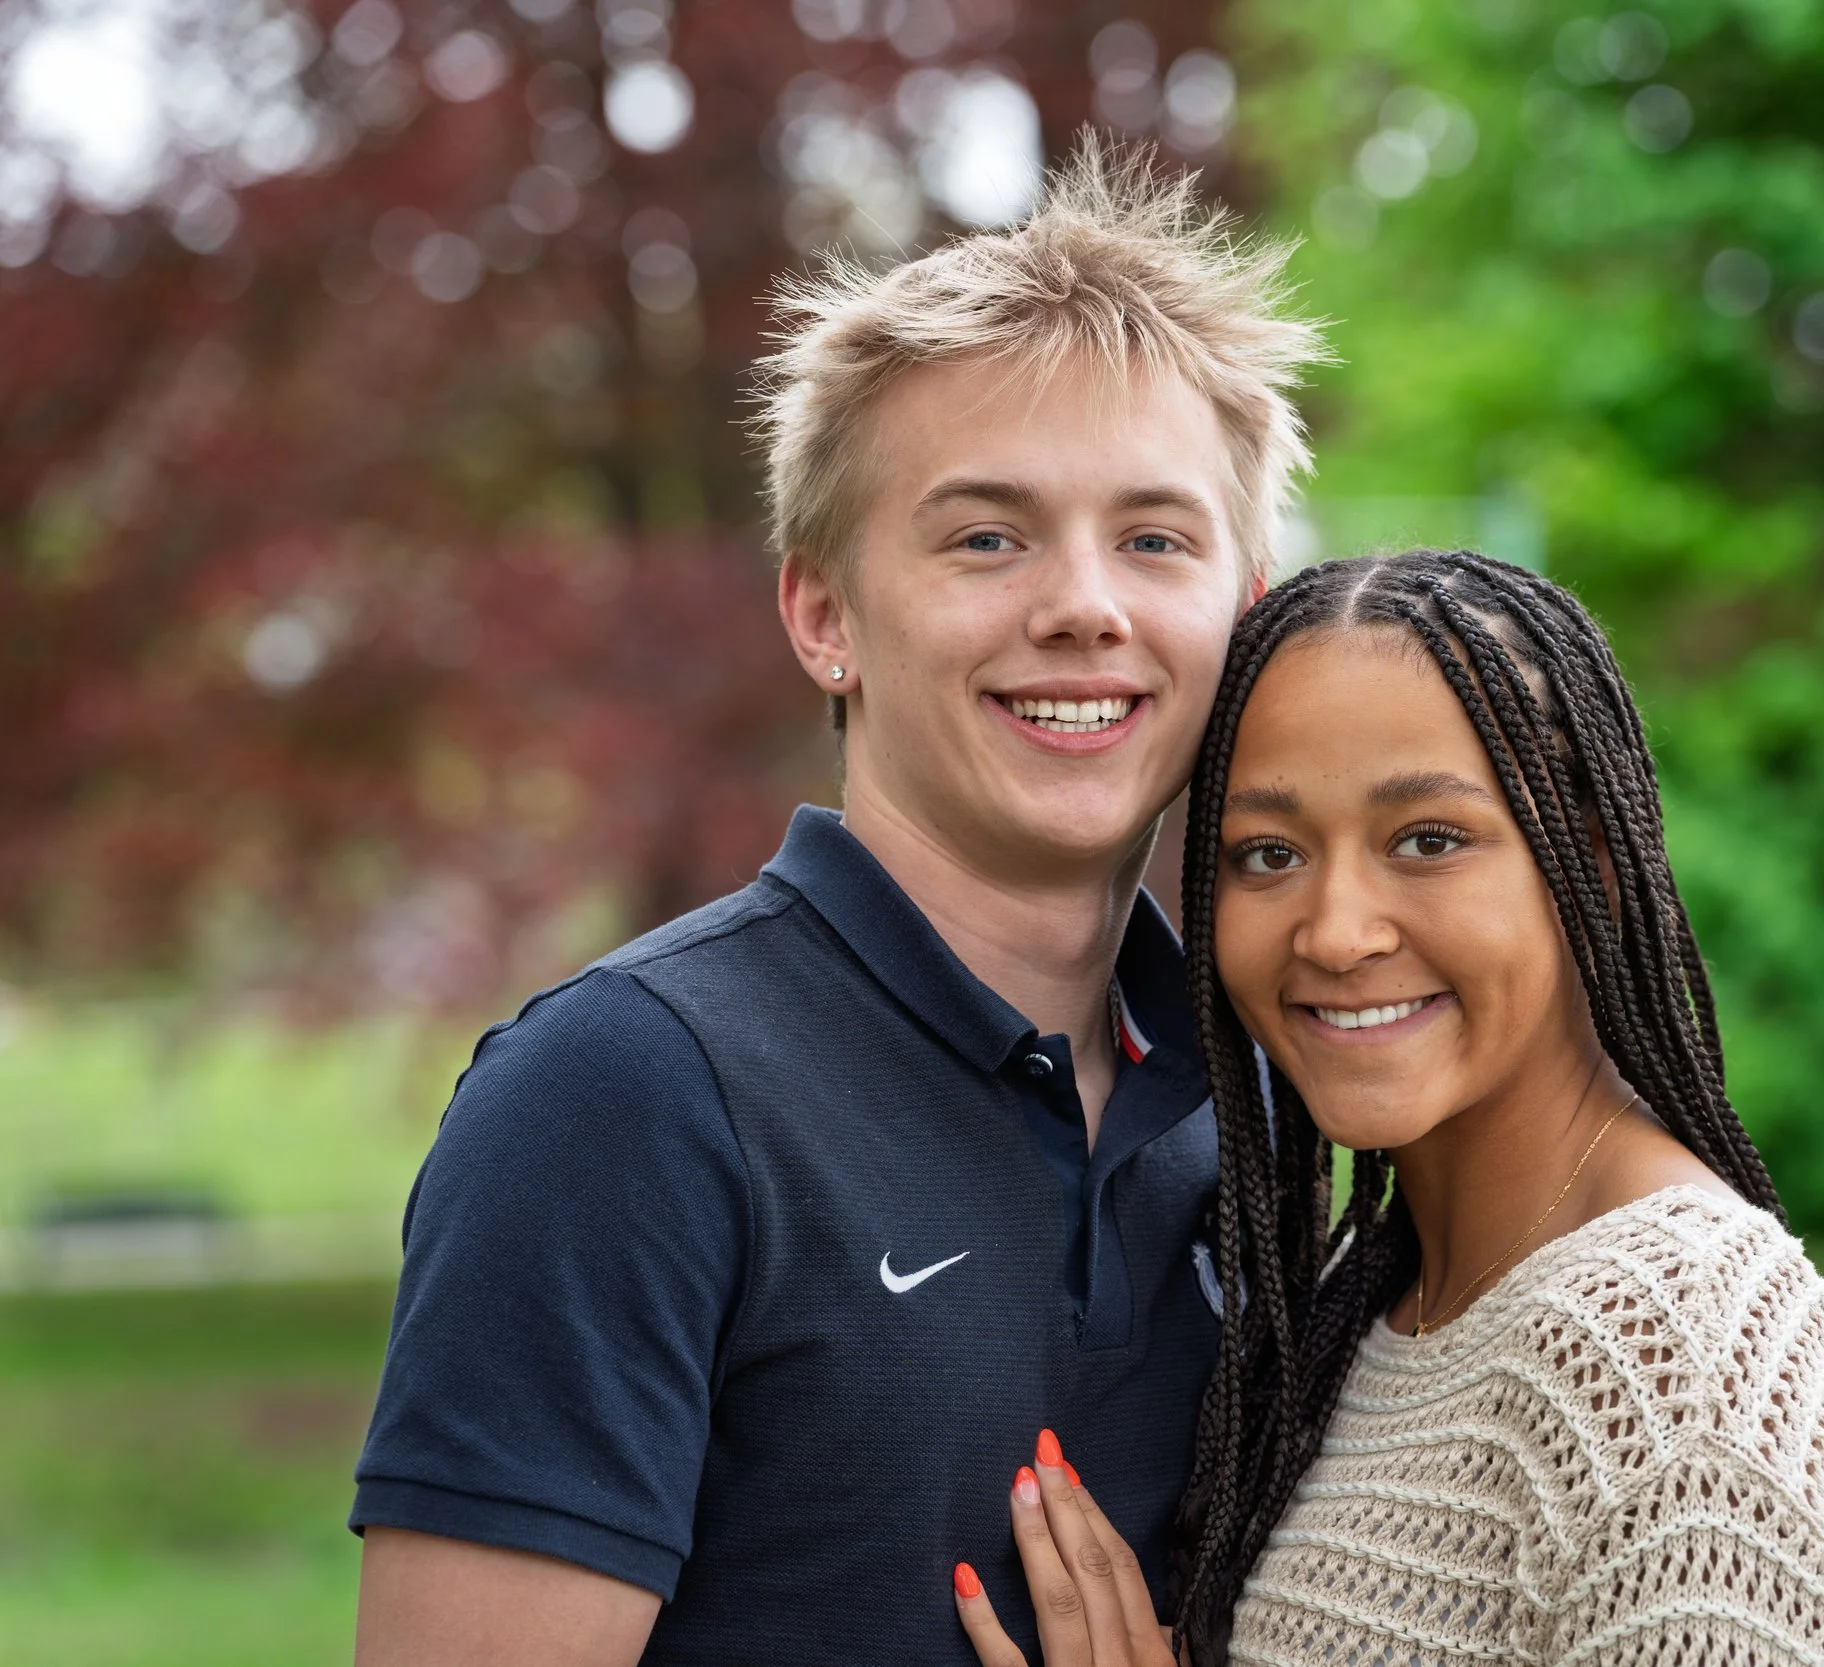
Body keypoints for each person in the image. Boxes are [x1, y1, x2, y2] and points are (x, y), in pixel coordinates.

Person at [348, 140, 1328, 1666]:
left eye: (1155, 537)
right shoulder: (623, 1097)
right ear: (825, 615)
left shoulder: (1272, 1096)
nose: (1084, 602)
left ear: (1246, 610)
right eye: (986, 535)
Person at [952, 551, 1824, 1666]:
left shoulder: (1671, 1341)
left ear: (1589, 868)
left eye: (1428, 839)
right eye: (1268, 853)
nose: (1335, 930)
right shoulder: (1372, 1314)